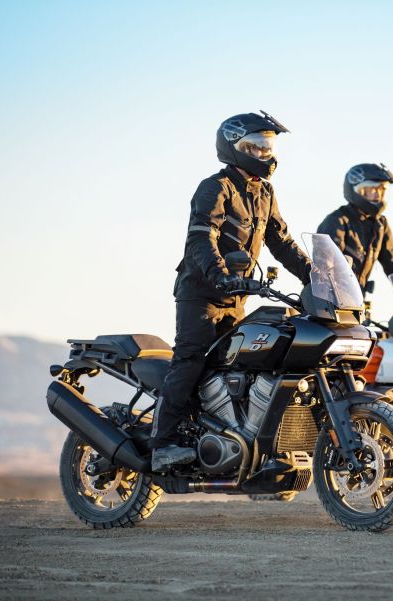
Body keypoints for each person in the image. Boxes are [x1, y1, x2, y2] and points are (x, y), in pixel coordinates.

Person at [151, 111, 312, 471]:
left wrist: (314, 276)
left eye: (267, 146)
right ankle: (163, 444)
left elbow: (282, 242)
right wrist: (220, 274)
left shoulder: (264, 192)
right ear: (234, 147)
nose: (264, 153)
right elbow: (201, 236)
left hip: (236, 296)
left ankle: (235, 439)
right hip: (201, 293)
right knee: (191, 360)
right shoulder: (216, 187)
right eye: (255, 146)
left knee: (240, 366)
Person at [317, 163, 393, 292]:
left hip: (356, 303)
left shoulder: (380, 224)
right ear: (358, 190)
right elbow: (325, 266)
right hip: (329, 302)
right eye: (373, 189)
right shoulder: (337, 221)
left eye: (382, 190)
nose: (378, 194)